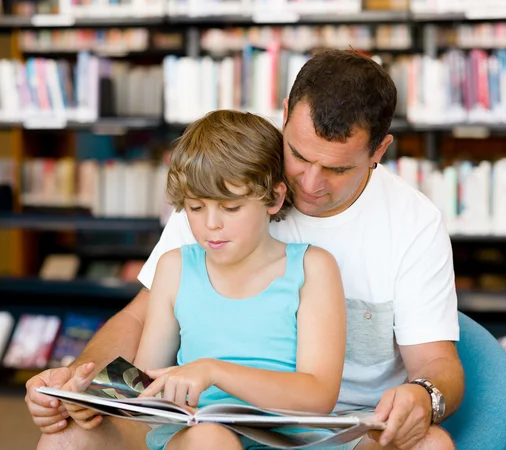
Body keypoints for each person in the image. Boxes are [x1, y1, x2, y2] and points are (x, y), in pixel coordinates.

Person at [27, 49, 464, 450]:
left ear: (379, 151)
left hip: (333, 424)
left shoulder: (409, 223)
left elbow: (435, 362)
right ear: (286, 115)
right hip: (201, 421)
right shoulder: (228, 182)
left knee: (432, 445)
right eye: (298, 154)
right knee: (68, 436)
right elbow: (143, 320)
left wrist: (423, 397)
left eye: (337, 168)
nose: (310, 184)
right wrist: (80, 383)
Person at [63, 110, 347, 450]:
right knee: (209, 438)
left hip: (289, 440)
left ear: (274, 198)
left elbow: (318, 397)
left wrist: (214, 371)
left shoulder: (312, 267)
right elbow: (146, 382)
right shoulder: (175, 268)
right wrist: (89, 393)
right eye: (196, 208)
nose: (211, 224)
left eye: (230, 207)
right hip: (196, 435)